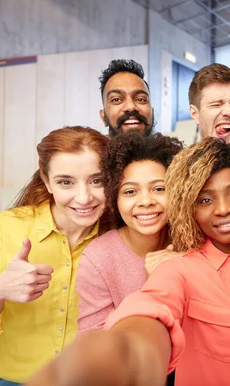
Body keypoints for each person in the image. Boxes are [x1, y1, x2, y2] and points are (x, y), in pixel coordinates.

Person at [26, 138, 230, 386]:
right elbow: (151, 311)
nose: (224, 208)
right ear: (189, 206)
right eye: (205, 200)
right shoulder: (179, 267)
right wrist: (124, 355)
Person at [0, 126, 111, 386]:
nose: (84, 197)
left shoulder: (121, 236)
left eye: (97, 180)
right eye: (66, 182)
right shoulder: (2, 229)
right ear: (46, 179)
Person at [76, 132, 183, 331]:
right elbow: (95, 344)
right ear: (114, 199)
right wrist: (155, 287)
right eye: (130, 191)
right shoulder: (98, 258)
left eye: (159, 189)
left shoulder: (192, 241)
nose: (146, 201)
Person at [99, 59, 154, 137]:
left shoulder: (172, 148)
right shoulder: (90, 149)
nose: (130, 107)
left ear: (152, 112)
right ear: (103, 117)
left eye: (140, 99)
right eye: (116, 99)